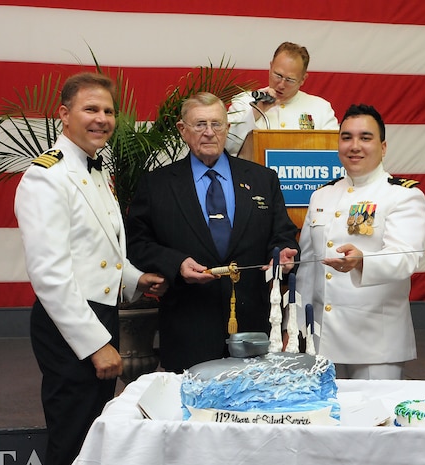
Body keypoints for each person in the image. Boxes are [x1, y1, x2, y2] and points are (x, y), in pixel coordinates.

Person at [13, 72, 167, 465]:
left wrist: (136, 278)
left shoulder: (93, 170)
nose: (102, 118)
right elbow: (51, 275)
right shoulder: (47, 176)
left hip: (100, 312)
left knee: (94, 437)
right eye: (90, 109)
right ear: (64, 114)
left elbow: (99, 249)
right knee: (72, 439)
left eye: (108, 111)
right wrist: (96, 344)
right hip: (72, 324)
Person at [126, 92, 299, 373]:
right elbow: (137, 243)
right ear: (183, 130)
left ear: (228, 129)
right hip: (188, 328)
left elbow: (282, 235)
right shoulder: (156, 185)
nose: (209, 133)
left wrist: (283, 254)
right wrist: (176, 263)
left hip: (252, 328)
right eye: (200, 124)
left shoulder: (262, 179)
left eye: (217, 124)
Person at [296, 104, 425, 380]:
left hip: (375, 345)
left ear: (383, 147)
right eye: (347, 137)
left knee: (373, 421)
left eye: (365, 138)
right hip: (321, 342)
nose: (354, 145)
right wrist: (298, 327)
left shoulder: (402, 196)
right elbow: (308, 268)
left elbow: (406, 258)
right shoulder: (322, 195)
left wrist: (362, 262)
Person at [225, 41, 339, 156]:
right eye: (278, 75)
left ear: (303, 79)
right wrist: (255, 113)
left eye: (290, 80)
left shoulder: (321, 109)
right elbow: (227, 147)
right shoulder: (243, 102)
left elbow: (335, 153)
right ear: (270, 67)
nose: (281, 85)